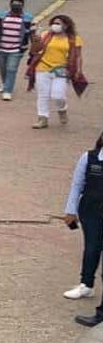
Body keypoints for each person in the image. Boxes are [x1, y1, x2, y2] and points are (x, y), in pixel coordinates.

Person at [61, 131, 103, 307]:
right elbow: (77, 185)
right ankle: (86, 284)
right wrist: (70, 211)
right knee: (92, 246)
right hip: (90, 210)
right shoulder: (89, 158)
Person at [26, 15, 87, 129]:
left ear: (66, 25)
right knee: (43, 95)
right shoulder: (45, 35)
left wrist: (78, 69)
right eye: (53, 23)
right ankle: (42, 118)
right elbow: (35, 50)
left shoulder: (74, 38)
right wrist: (36, 38)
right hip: (43, 68)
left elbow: (78, 56)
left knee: (58, 95)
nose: (55, 25)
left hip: (61, 70)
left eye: (58, 23)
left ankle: (62, 109)